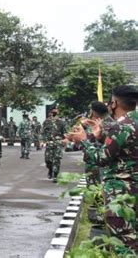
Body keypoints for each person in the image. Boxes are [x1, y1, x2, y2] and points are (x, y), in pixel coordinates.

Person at [68, 85, 138, 250]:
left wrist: (83, 140)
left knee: (124, 243)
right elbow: (125, 150)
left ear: (114, 103)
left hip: (122, 191)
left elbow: (102, 158)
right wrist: (100, 137)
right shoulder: (131, 122)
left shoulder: (120, 126)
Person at [42, 108, 67, 182]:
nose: (55, 112)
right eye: (53, 110)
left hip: (58, 143)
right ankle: (50, 169)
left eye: (56, 110)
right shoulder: (46, 121)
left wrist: (65, 141)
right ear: (51, 112)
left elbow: (65, 133)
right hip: (49, 143)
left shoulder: (62, 122)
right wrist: (42, 141)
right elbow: (42, 132)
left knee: (56, 160)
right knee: (48, 160)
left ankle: (55, 175)